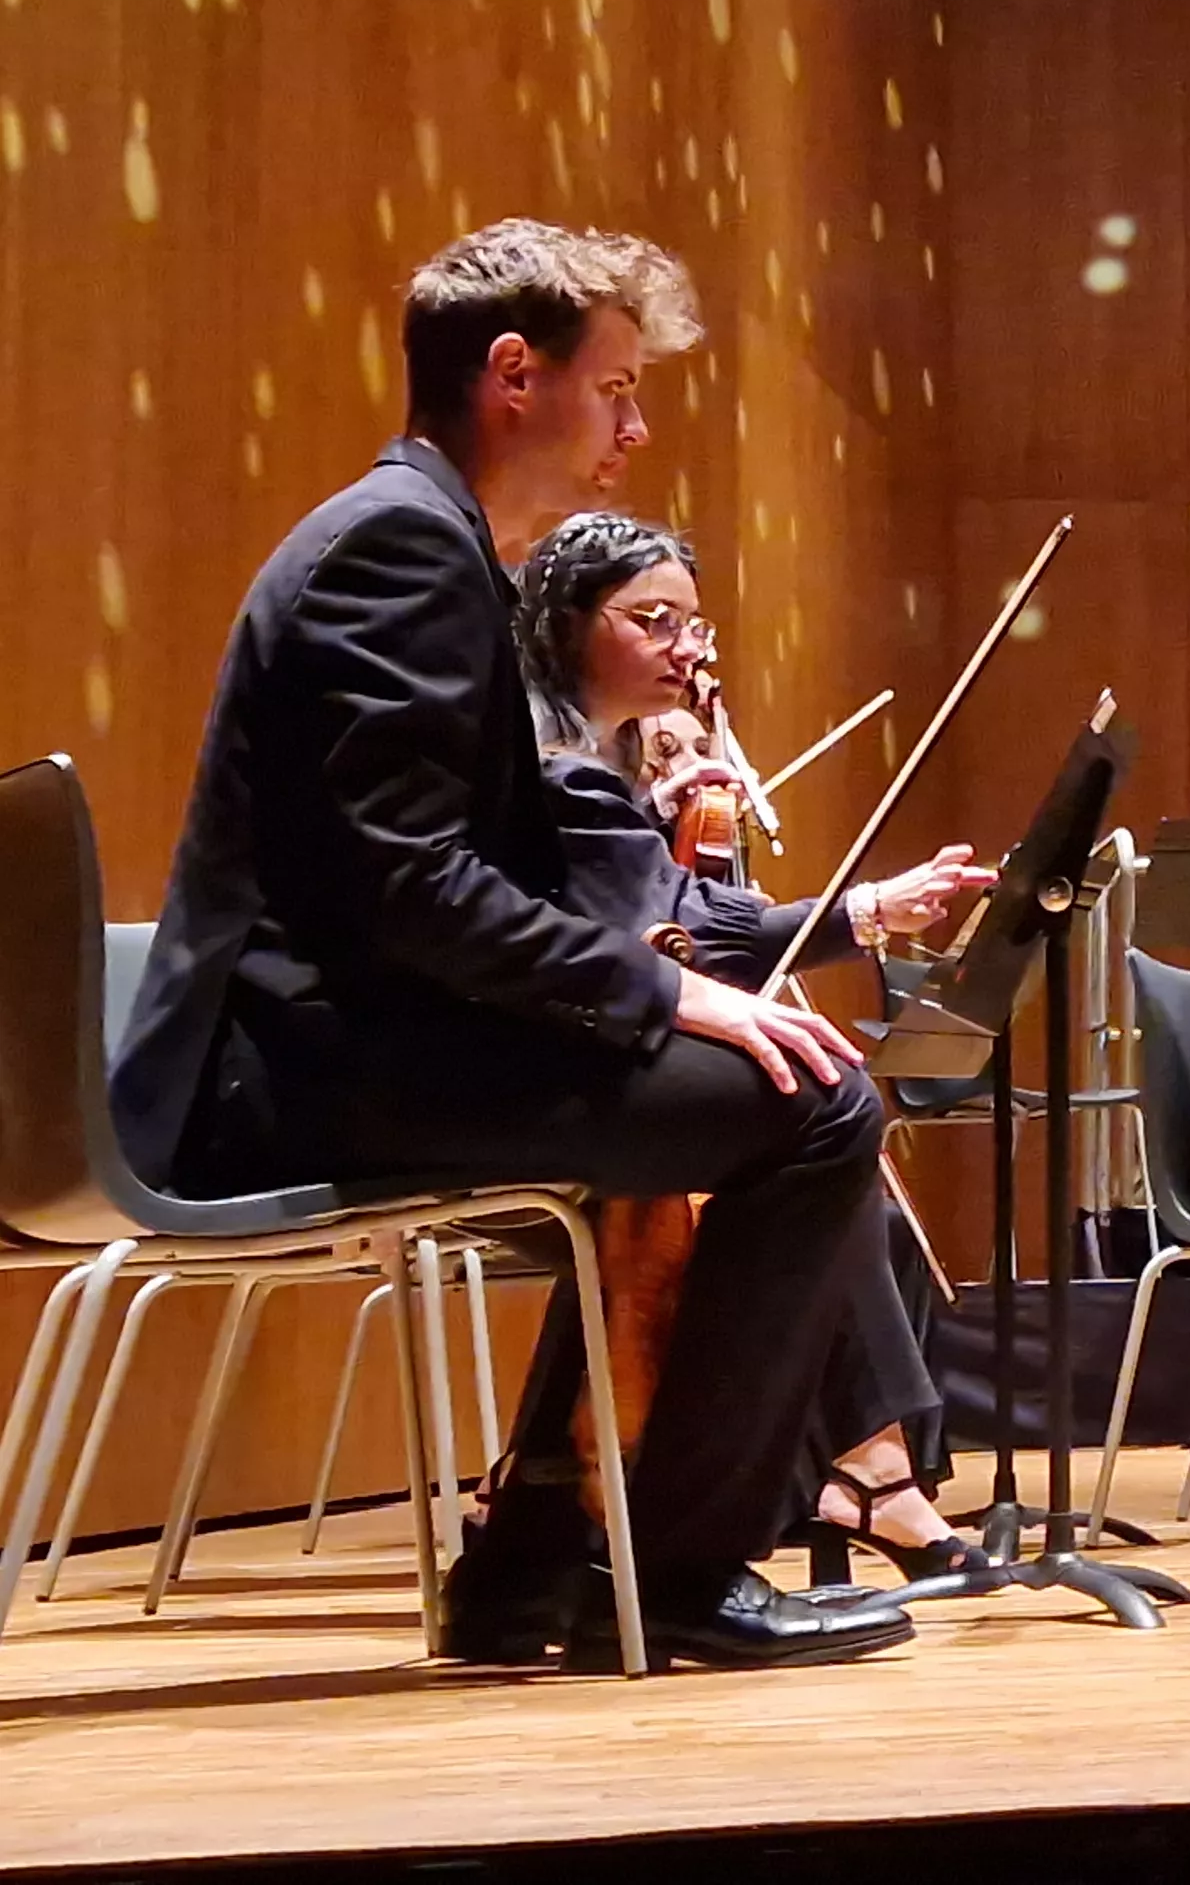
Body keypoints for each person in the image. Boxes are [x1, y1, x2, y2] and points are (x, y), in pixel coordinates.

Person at [113, 220, 911, 1669]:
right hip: (295, 1068)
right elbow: (409, 885)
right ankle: (670, 1575)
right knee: (812, 1105)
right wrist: (662, 988)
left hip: (346, 1035)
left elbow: (465, 865)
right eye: (616, 388)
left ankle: (538, 1566)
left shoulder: (425, 538)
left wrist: (659, 974)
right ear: (512, 376)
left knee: (725, 1088)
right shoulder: (403, 552)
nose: (638, 423)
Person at [512, 512, 997, 1588]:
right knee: (815, 1107)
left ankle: (549, 1529)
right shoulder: (558, 772)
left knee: (822, 1116)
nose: (688, 646)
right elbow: (677, 926)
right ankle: (715, 1531)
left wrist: (872, 908)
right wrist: (861, 913)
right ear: (562, 625)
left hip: (560, 1060)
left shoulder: (587, 767)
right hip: (524, 1083)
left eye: (694, 622)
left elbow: (685, 916)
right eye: (653, 620)